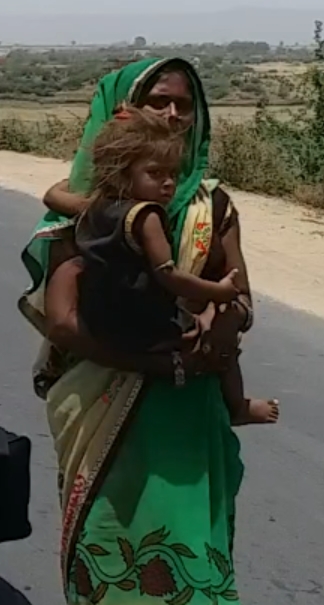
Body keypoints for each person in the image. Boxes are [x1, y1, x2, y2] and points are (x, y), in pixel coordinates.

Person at [19, 57, 324, 605]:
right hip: (109, 415)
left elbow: (241, 294)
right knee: (116, 577)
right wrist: (151, 359)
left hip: (187, 424)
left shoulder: (213, 205)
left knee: (194, 583)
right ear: (122, 113)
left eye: (185, 105)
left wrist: (226, 320)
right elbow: (63, 320)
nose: (172, 116)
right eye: (156, 101)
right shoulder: (87, 212)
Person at [62, 105, 277, 426]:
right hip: (145, 326)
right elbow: (169, 275)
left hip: (101, 320)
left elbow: (54, 195)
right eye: (155, 173)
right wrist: (217, 293)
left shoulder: (95, 206)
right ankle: (237, 406)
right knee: (222, 345)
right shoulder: (147, 216)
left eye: (173, 175)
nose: (168, 184)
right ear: (124, 173)